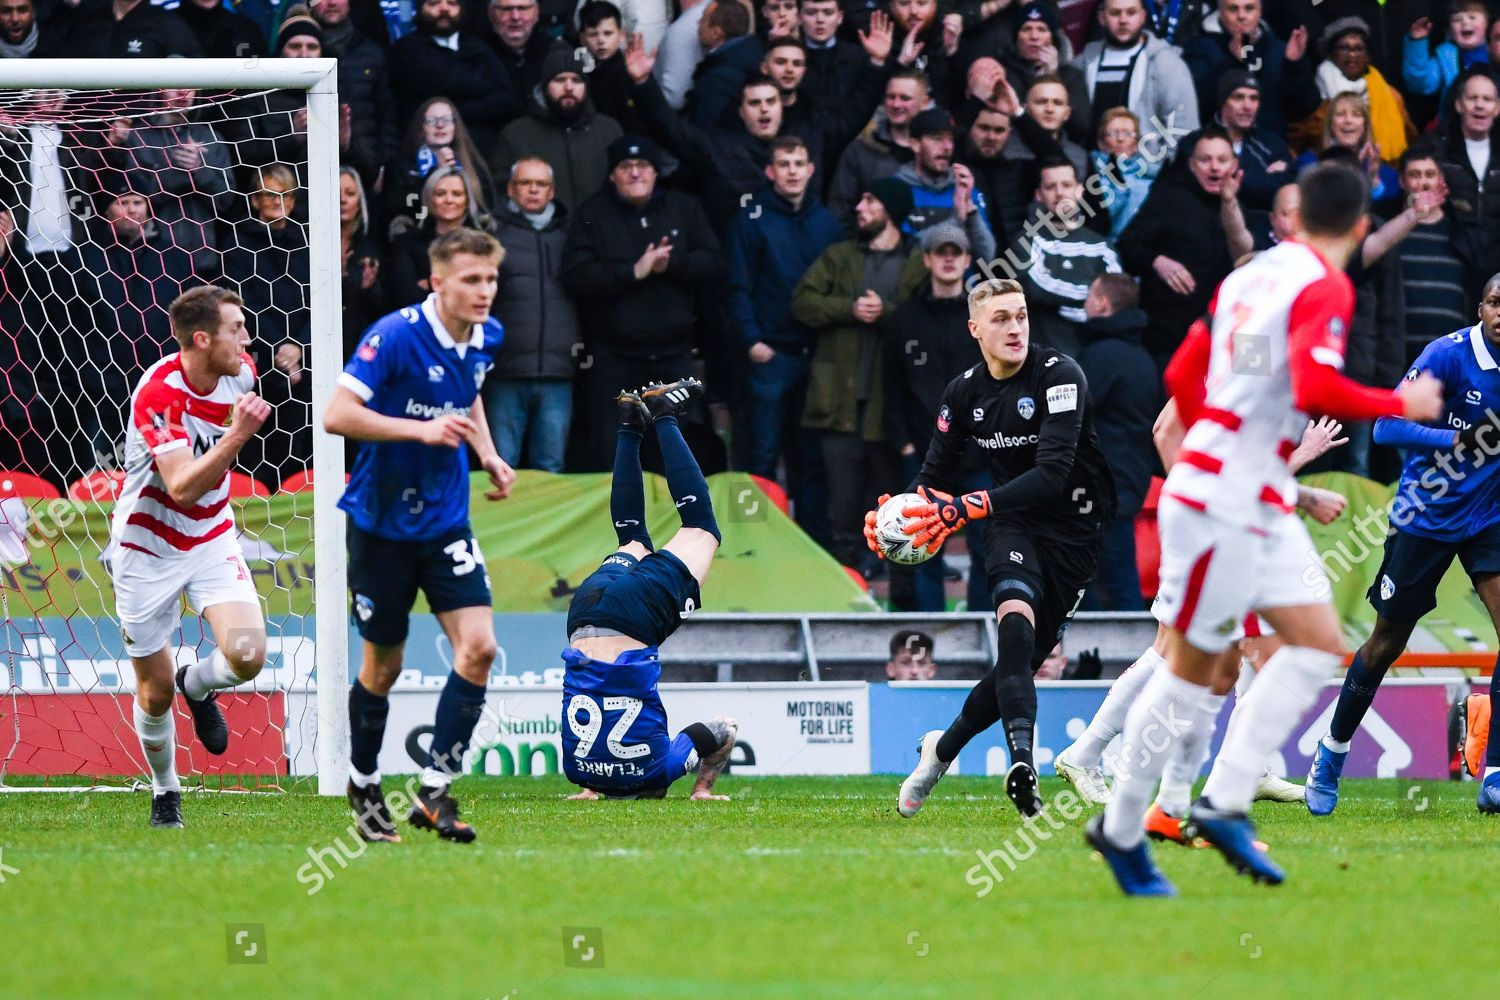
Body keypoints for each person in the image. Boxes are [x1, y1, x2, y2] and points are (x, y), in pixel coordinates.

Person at [1088, 165, 1444, 896]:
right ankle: (1145, 820)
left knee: (1295, 648)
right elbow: (1315, 389)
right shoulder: (1325, 284)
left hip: (1234, 483)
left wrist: (1233, 441)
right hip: (1229, 494)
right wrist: (1399, 403)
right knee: (1197, 666)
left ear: (1295, 217)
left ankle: (1210, 803)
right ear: (1355, 229)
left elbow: (1187, 371)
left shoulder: (1249, 277)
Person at [882, 277, 1117, 819]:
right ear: (975, 330)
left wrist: (967, 506)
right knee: (1014, 635)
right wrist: (899, 522)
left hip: (1077, 534)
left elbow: (1054, 473)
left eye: (1021, 316)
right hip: (1012, 525)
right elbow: (933, 479)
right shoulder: (963, 392)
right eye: (1001, 319)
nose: (1015, 328)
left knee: (1021, 665)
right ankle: (1023, 764)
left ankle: (938, 753)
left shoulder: (1061, 376)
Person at [1054, 401, 1348, 811]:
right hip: (1216, 531)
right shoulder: (1234, 362)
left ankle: (1241, 775)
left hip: (1237, 528)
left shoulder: (1246, 364)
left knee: (1239, 656)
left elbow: (1230, 462)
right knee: (1189, 658)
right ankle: (1103, 765)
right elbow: (1170, 436)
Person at [325, 227, 518, 844]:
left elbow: (469, 395)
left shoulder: (488, 336)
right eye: (471, 280)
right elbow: (336, 415)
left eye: (490, 279)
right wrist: (421, 433)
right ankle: (362, 781)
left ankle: (434, 792)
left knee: (481, 647)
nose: (484, 291)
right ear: (438, 282)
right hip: (380, 523)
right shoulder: (395, 335)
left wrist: (487, 452)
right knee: (385, 666)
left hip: (444, 520)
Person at [1305, 275, 1500, 816]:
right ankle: (1332, 751)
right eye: (1494, 302)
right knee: (1386, 643)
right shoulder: (1447, 356)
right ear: (1479, 307)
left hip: (1490, 517)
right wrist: (1454, 440)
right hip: (1427, 515)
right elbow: (1387, 428)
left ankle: (1496, 774)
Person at [110, 286, 271, 828]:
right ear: (202, 339)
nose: (247, 339)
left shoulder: (241, 373)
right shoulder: (158, 394)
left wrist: (233, 433)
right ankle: (165, 790)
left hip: (210, 537)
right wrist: (238, 436)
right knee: (152, 692)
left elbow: (202, 491)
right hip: (145, 549)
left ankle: (197, 684)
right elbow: (179, 485)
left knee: (248, 654)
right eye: (236, 329)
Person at [562, 378, 738, 800]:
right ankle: (634, 423)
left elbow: (724, 730)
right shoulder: (578, 772)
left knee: (702, 530)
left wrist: (701, 789)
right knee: (634, 543)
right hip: (583, 612)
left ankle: (662, 417)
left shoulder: (661, 769)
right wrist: (592, 789)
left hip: (631, 618)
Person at [561, 135, 725, 470]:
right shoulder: (592, 213)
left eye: (643, 166)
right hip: (615, 357)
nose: (635, 173)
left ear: (655, 172)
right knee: (616, 448)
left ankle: (679, 520)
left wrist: (673, 264)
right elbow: (576, 275)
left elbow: (715, 262)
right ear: (612, 175)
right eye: (626, 167)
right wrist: (633, 272)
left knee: (676, 449)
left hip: (674, 354)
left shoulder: (684, 208)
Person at [793, 179, 927, 571]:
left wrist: (885, 312)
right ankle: (846, 585)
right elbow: (802, 302)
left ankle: (893, 590)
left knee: (894, 511)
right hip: (839, 406)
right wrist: (848, 309)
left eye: (870, 200)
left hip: (895, 411)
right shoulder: (839, 255)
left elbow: (929, 313)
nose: (859, 208)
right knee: (842, 509)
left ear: (892, 209)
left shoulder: (918, 259)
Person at [725, 136, 843, 495]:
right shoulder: (751, 219)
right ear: (770, 171)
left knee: (811, 458)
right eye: (784, 164)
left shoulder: (827, 223)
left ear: (810, 170)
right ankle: (756, 547)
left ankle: (812, 545)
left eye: (798, 164)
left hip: (816, 356)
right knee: (761, 457)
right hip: (770, 355)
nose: (792, 172)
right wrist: (751, 341)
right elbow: (737, 285)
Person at [882, 219, 987, 612]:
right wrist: (904, 444)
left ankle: (983, 631)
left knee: (985, 547)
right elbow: (889, 387)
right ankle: (930, 632)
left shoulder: (985, 319)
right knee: (922, 546)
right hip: (925, 452)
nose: (948, 259)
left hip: (980, 452)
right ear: (926, 259)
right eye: (940, 252)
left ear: (967, 260)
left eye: (955, 252)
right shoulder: (904, 319)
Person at [1116, 127, 1242, 370]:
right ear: (1192, 165)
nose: (1214, 167)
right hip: (1170, 340)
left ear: (1234, 165)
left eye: (1222, 160)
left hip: (1224, 339)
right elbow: (1127, 246)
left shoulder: (1240, 204)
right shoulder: (1169, 198)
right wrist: (1156, 260)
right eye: (1205, 160)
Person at [485, 156, 580, 472]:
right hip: (505, 371)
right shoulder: (492, 234)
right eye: (525, 183)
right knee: (500, 464)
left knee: (551, 467)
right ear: (511, 189)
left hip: (557, 372)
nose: (533, 190)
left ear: (552, 191)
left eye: (540, 184)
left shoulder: (571, 235)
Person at [1075, 273, 1155, 611]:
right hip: (1125, 481)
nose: (1085, 301)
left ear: (1104, 304)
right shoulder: (1140, 356)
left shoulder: (1103, 356)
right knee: (1109, 573)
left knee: (1106, 575)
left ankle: (1128, 653)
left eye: (1091, 294)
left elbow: (1073, 412)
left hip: (1104, 485)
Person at [491, 45, 624, 212]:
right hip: (540, 234)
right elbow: (501, 194)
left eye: (576, 80)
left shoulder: (609, 130)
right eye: (559, 80)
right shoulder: (515, 135)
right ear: (545, 86)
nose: (568, 87)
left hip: (600, 232)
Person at [389, 0, 518, 155]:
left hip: (483, 154)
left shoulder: (479, 47)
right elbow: (442, 82)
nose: (444, 9)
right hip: (428, 155)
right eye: (434, 3)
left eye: (452, 3)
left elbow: (506, 101)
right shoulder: (407, 50)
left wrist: (453, 109)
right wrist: (483, 88)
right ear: (420, 9)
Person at [1181, 0, 1314, 137]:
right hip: (1218, 147)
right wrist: (1232, 62)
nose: (1241, 16)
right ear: (1220, 12)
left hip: (1270, 148)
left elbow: (1304, 108)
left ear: (1260, 12)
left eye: (1249, 8)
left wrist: (1295, 65)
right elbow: (1198, 105)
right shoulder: (1200, 49)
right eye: (1233, 9)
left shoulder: (1278, 49)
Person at [1072, 0, 1198, 143]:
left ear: (1143, 16)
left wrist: (1155, 162)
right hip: (1094, 161)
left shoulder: (1167, 64)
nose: (1123, 20)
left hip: (1150, 161)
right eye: (1115, 13)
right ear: (1101, 18)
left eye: (1131, 13)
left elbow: (1184, 128)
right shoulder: (1083, 63)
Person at [893, 108, 996, 263]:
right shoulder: (895, 191)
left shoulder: (965, 189)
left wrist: (970, 211)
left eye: (950, 139)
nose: (947, 147)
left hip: (964, 286)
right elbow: (905, 251)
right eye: (937, 138)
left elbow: (988, 256)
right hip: (917, 286)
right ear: (915, 145)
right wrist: (955, 221)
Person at [828, 68, 928, 224]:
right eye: (890, 97)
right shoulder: (859, 151)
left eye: (905, 98)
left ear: (925, 103)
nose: (896, 104)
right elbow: (839, 211)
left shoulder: (939, 152)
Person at [387, 166, 494, 306]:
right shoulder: (407, 242)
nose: (448, 200)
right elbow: (406, 297)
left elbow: (487, 295)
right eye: (440, 193)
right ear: (429, 199)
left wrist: (431, 287)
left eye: (456, 194)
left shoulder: (484, 244)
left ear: (467, 201)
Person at [384, 97, 496, 229]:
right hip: (418, 238)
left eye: (447, 120)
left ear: (455, 127)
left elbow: (487, 210)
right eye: (431, 121)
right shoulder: (401, 165)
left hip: (466, 240)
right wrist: (435, 173)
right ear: (421, 128)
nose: (440, 125)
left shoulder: (474, 165)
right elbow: (398, 208)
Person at [1403, 1, 1491, 112]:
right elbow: (1420, 84)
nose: (1464, 22)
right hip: (1455, 123)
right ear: (1450, 30)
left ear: (1487, 23)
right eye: (1457, 19)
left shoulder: (1495, 52)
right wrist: (1417, 42)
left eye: (1472, 17)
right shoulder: (1446, 57)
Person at [339, 166, 387, 361]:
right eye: (336, 192)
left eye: (350, 193)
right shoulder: (308, 245)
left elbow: (382, 310)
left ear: (360, 202)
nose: (342, 200)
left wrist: (370, 287)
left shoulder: (370, 250)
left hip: (359, 350)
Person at [484, 0, 558, 100]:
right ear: (491, 14)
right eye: (506, 9)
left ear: (536, 12)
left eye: (522, 8)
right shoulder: (475, 55)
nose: (515, 17)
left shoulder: (556, 51)